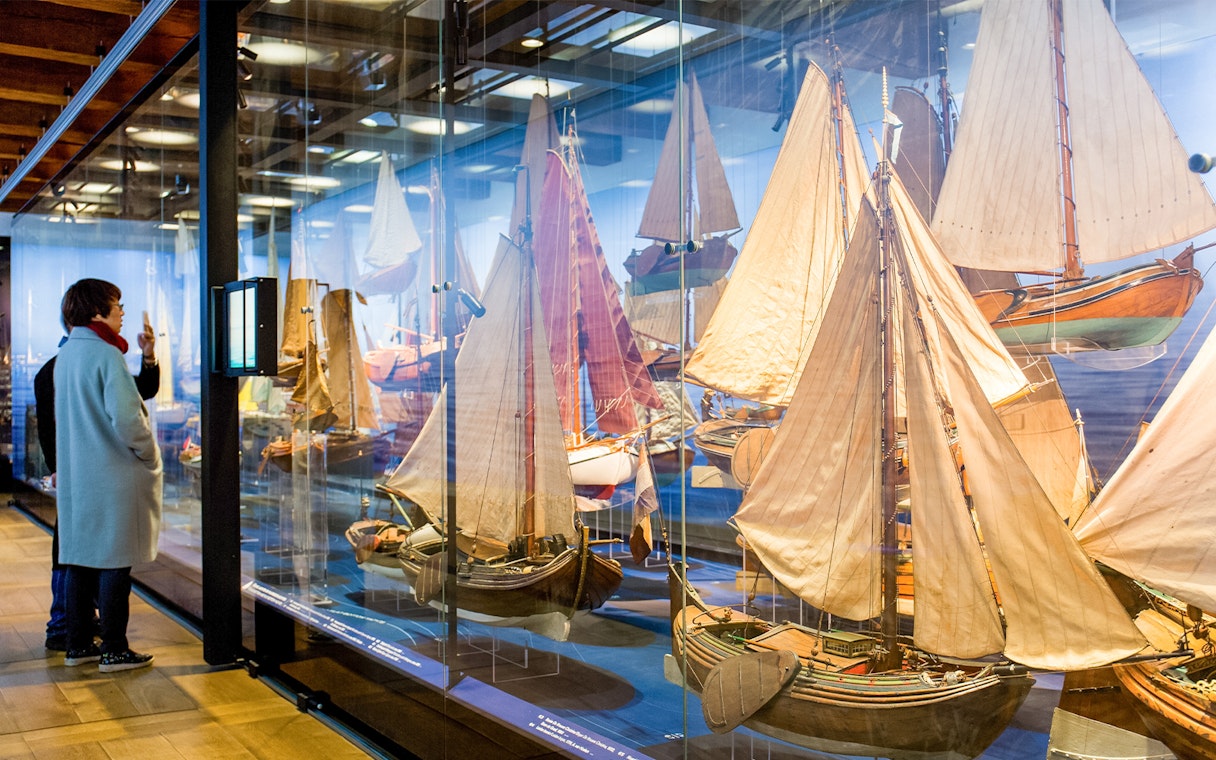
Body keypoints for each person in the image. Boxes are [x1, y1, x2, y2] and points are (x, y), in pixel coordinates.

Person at [54, 279, 163, 672]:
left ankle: (78, 644)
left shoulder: (68, 354)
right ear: (97, 312)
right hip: (115, 473)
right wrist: (150, 454)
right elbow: (128, 419)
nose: (122, 313)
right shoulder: (106, 355)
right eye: (117, 305)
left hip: (81, 475)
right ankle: (114, 648)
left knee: (81, 560)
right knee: (117, 562)